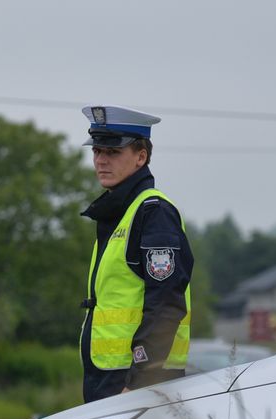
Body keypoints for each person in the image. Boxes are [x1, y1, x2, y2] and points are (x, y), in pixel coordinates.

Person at [78, 105, 193, 403]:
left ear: (141, 157)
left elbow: (166, 305)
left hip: (137, 384)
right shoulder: (118, 213)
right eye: (97, 151)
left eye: (112, 152)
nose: (101, 160)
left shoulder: (153, 213)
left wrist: (140, 380)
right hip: (111, 379)